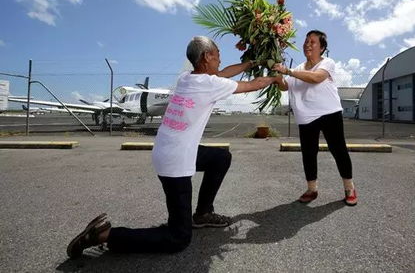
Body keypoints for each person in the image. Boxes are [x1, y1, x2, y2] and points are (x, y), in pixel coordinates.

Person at [67, 36, 279, 258]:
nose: (220, 59)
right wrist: (277, 76)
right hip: (175, 162)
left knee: (220, 157)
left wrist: (253, 63)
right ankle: (105, 235)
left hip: (171, 150)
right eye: (217, 54)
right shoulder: (210, 84)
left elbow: (224, 73)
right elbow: (253, 85)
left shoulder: (187, 78)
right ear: (207, 57)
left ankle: (203, 214)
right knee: (178, 238)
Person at [272, 30, 357, 206]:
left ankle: (349, 188)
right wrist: (278, 75)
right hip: (306, 118)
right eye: (306, 42)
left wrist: (288, 70)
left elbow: (317, 78)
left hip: (329, 113)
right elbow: (284, 86)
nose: (307, 45)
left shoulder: (327, 63)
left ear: (322, 47)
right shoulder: (299, 69)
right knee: (309, 154)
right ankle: (312, 189)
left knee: (338, 150)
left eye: (312, 42)